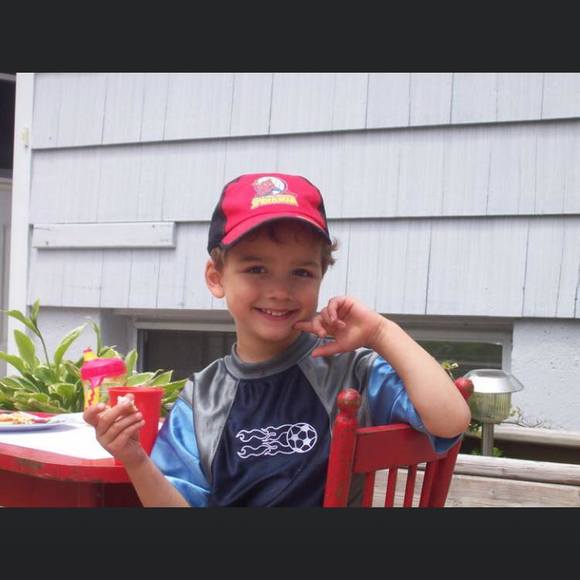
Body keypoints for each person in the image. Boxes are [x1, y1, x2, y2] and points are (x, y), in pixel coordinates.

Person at [83, 172, 471, 507]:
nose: (280, 291)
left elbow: (450, 421)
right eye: (257, 269)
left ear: (321, 277)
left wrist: (381, 333)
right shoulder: (202, 399)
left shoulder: (347, 371)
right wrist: (135, 458)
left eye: (301, 273)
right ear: (216, 278)